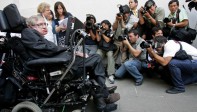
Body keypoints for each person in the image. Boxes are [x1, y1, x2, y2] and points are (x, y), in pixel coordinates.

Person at [22, 15, 120, 111]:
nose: (44, 26)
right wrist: (69, 49)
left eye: (44, 23)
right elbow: (47, 49)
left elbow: (49, 49)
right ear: (31, 26)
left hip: (61, 61)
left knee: (94, 59)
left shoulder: (36, 35)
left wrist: (73, 52)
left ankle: (102, 92)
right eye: (40, 24)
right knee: (96, 59)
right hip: (58, 65)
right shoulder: (28, 32)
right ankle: (103, 98)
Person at [96, 20, 115, 84]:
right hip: (101, 48)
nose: (103, 27)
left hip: (109, 49)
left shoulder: (111, 31)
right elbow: (98, 39)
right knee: (97, 56)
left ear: (108, 25)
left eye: (105, 25)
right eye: (103, 25)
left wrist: (102, 33)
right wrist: (97, 32)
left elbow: (107, 40)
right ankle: (96, 73)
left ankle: (111, 74)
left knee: (110, 56)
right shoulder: (101, 30)